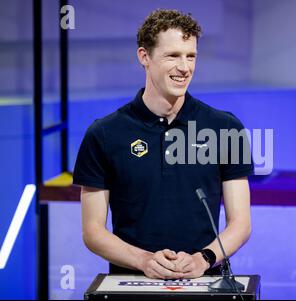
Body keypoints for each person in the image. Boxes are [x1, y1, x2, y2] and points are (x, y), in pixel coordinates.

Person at [73, 9, 253, 280]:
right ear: (144, 57)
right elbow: (92, 231)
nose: (185, 67)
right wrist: (144, 260)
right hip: (131, 284)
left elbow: (240, 224)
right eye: (173, 56)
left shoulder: (225, 128)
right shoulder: (104, 134)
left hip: (203, 283)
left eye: (190, 56)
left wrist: (203, 259)